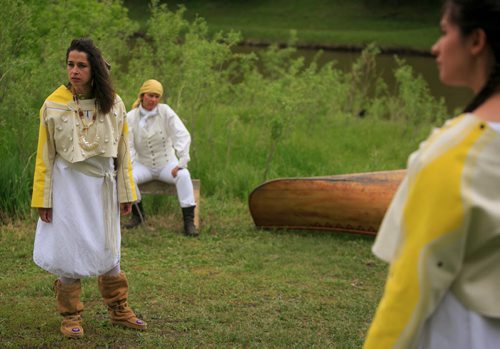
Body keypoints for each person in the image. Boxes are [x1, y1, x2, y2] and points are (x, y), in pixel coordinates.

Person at [363, 0, 500, 348]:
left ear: (476, 41)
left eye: (444, 31)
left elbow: (412, 283)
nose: (436, 47)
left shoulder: (456, 155)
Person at [31, 38, 147, 338]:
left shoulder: (114, 103)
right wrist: (44, 199)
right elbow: (45, 157)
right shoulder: (53, 104)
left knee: (110, 247)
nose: (74, 71)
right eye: (70, 64)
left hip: (102, 186)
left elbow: (123, 153)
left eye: (81, 65)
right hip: (68, 186)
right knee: (70, 247)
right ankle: (70, 315)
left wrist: (126, 193)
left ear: (94, 68)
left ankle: (119, 308)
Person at [125, 79, 198, 236]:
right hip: (142, 164)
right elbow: (128, 144)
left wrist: (181, 162)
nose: (154, 100)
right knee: (127, 177)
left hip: (167, 163)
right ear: (142, 95)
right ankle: (138, 216)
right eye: (151, 95)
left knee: (184, 175)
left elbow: (181, 135)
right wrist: (129, 165)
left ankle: (189, 222)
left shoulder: (165, 111)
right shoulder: (130, 117)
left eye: (157, 96)